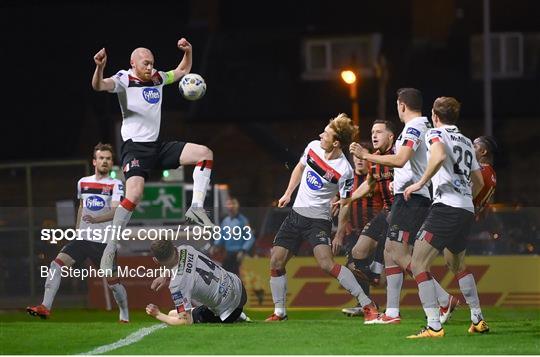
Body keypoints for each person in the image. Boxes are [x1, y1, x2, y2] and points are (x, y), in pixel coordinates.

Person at [92, 39, 216, 275]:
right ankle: (110, 248)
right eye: (145, 64)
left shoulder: (158, 78)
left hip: (157, 147)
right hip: (135, 149)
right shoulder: (124, 79)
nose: (150, 67)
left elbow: (181, 71)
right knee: (135, 194)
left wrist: (188, 52)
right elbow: (99, 86)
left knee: (205, 154)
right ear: (133, 64)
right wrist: (99, 67)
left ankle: (196, 208)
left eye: (152, 63)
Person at [350, 88, 456, 324]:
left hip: (411, 200)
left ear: (401, 105)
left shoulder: (414, 127)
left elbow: (400, 160)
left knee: (398, 252)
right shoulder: (422, 126)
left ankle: (443, 298)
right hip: (410, 197)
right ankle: (392, 312)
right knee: (390, 252)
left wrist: (366, 156)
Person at [265, 113, 379, 324]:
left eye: (326, 134)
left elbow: (344, 203)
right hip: (295, 215)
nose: (320, 135)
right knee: (276, 261)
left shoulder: (344, 170)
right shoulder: (313, 147)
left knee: (327, 264)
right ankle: (280, 312)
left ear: (336, 142)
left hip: (317, 221)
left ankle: (367, 304)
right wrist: (288, 193)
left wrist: (340, 231)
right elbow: (300, 168)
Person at [403, 97, 487, 338]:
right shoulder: (467, 141)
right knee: (457, 264)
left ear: (435, 116)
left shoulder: (434, 134)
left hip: (446, 207)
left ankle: (433, 326)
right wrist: (465, 200)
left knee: (418, 262)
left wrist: (419, 183)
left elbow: (438, 156)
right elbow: (479, 182)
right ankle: (477, 318)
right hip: (465, 208)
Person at [27, 143, 129, 322]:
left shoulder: (116, 184)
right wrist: (77, 230)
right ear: (94, 161)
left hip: (104, 242)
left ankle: (124, 314)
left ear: (112, 162)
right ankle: (45, 307)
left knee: (113, 283)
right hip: (82, 239)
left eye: (108, 158)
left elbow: (116, 210)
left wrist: (96, 220)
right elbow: (81, 207)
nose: (104, 161)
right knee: (55, 265)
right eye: (101, 158)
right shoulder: (83, 182)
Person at [343, 120, 397, 321]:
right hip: (386, 212)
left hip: (402, 212)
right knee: (357, 253)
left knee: (409, 263)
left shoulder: (398, 155)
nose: (374, 135)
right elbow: (369, 184)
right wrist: (349, 198)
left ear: (391, 136)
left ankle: (442, 300)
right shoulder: (375, 160)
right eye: (373, 131)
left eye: (379, 132)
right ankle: (373, 283)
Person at [145, 240, 249, 325]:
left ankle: (237, 315)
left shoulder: (177, 285)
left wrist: (157, 314)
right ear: (174, 246)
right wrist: (164, 275)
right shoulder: (186, 248)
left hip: (230, 313)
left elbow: (185, 321)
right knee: (176, 312)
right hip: (240, 288)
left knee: (172, 314)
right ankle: (238, 313)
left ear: (156, 261)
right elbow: (180, 264)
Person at [211, 197, 255, 275]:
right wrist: (215, 245)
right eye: (229, 204)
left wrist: (243, 250)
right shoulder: (226, 221)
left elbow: (250, 238)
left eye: (233, 204)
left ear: (237, 206)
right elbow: (221, 236)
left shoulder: (243, 221)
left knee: (238, 277)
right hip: (228, 254)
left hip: (239, 255)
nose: (231, 207)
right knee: (225, 275)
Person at [473, 136, 497, 215]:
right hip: (474, 218)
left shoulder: (479, 171)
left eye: (474, 147)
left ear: (483, 152)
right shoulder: (491, 173)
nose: (470, 149)